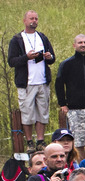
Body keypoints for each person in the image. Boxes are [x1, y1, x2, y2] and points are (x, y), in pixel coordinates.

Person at [7, 10, 55, 153]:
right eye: (31, 18)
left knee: (42, 112)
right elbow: (11, 61)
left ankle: (40, 141)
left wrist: (48, 56)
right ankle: (29, 143)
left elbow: (53, 58)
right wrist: (27, 57)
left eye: (36, 18)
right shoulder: (17, 39)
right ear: (24, 20)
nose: (34, 21)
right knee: (27, 113)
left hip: (42, 81)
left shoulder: (42, 37)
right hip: (26, 82)